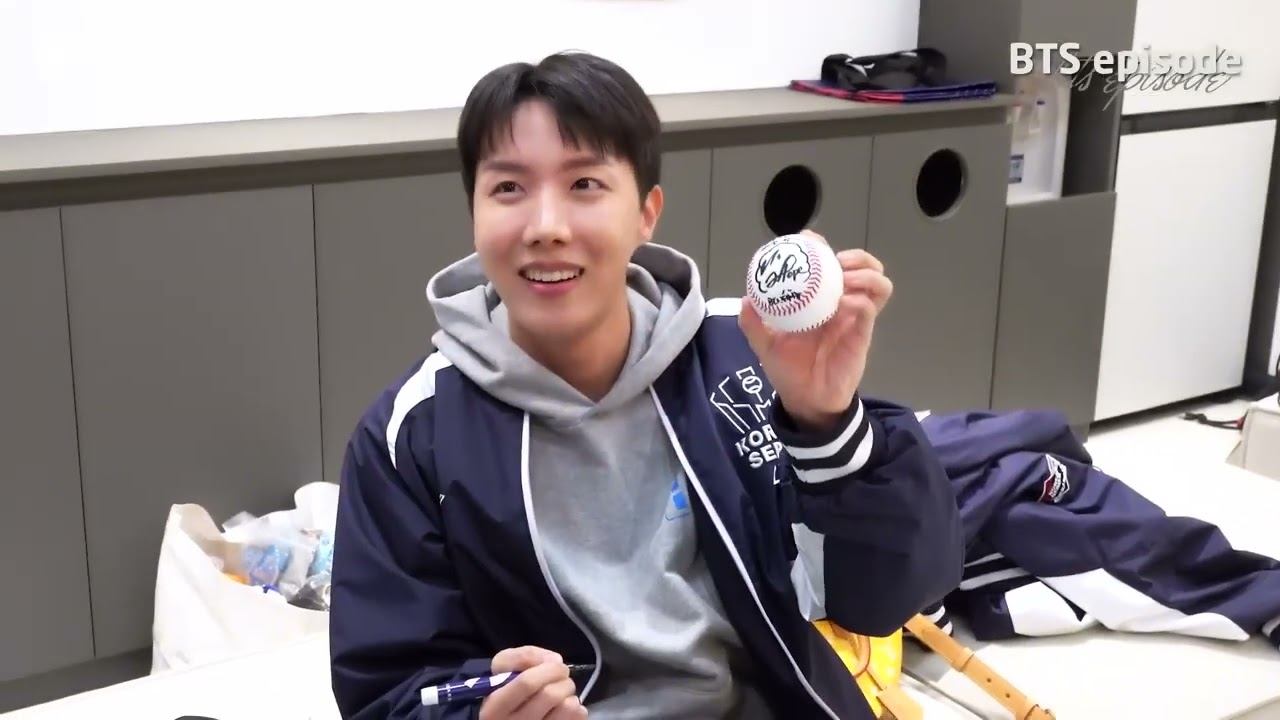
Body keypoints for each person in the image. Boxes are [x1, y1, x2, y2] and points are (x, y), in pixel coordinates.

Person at [328, 51, 963, 720]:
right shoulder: (415, 435)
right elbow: (389, 687)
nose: (546, 227)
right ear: (474, 213)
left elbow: (883, 600)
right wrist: (482, 710)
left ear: (646, 213)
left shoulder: (745, 358)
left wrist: (828, 423)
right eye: (509, 188)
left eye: (585, 184)